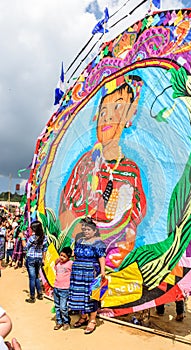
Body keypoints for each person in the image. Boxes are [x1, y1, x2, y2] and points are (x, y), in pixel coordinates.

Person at [59, 75, 146, 269]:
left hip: (113, 255)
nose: (107, 116)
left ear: (129, 115)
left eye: (117, 107)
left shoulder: (131, 171)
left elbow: (134, 221)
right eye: (103, 109)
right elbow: (65, 212)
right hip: (82, 250)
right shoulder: (85, 164)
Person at [69, 217, 106, 334]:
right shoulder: (79, 240)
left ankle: (92, 320)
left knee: (91, 296)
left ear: (94, 231)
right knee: (80, 295)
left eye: (89, 229)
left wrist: (102, 272)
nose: (86, 231)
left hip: (91, 273)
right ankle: (83, 317)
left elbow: (101, 257)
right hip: (77, 273)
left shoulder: (98, 243)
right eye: (84, 229)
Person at [19, 221, 48, 303]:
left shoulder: (33, 237)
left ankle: (32, 297)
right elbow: (45, 249)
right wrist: (43, 259)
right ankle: (40, 294)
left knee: (32, 278)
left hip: (31, 258)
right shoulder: (44, 237)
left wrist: (22, 238)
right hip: (39, 258)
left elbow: (25, 247)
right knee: (36, 277)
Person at [53, 247, 73, 331]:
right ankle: (59, 322)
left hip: (65, 289)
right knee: (57, 306)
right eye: (61, 255)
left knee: (63, 307)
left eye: (64, 256)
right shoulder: (58, 264)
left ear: (68, 257)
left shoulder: (70, 263)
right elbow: (55, 269)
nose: (61, 257)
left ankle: (66, 322)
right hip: (56, 287)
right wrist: (55, 262)